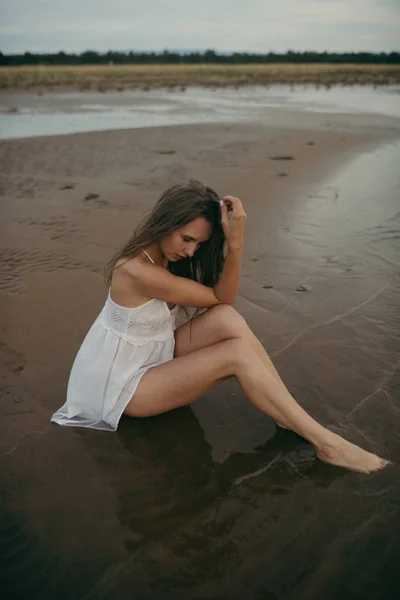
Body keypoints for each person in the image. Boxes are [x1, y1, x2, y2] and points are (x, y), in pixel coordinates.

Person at [51, 179, 390, 474]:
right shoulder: (137, 271)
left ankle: (287, 413)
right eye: (187, 239)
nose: (191, 250)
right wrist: (237, 243)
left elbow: (223, 306)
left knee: (228, 321)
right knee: (236, 353)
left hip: (151, 356)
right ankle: (326, 444)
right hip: (123, 389)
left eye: (198, 244)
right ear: (165, 222)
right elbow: (221, 295)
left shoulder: (164, 259)